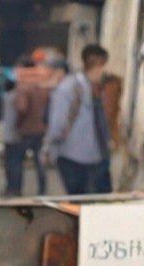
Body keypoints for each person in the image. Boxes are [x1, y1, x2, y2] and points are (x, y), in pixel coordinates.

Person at [45, 45, 112, 195]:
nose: (105, 71)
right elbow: (57, 124)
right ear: (96, 64)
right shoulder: (69, 88)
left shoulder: (94, 88)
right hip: (72, 158)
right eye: (103, 66)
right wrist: (51, 146)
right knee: (79, 201)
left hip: (95, 157)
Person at [8, 57, 52, 196]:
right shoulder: (43, 86)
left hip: (26, 130)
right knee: (39, 162)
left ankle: (16, 189)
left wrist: (18, 123)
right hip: (41, 129)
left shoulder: (23, 87)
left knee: (17, 161)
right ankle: (42, 190)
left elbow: (22, 108)